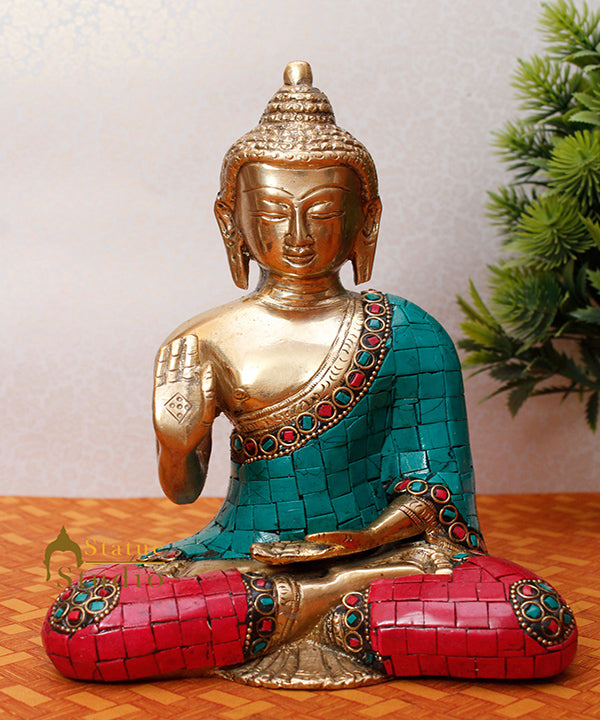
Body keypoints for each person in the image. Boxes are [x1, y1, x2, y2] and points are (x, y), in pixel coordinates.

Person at [42, 62, 577, 689]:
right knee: (87, 621)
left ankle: (291, 608)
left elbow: (438, 496)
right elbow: (183, 493)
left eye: (321, 210)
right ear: (230, 220)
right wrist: (176, 443)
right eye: (273, 211)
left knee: (535, 620)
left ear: (365, 219)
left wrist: (359, 541)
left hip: (386, 560)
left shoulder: (410, 333)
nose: (297, 235)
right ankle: (333, 611)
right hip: (241, 554)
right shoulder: (202, 341)